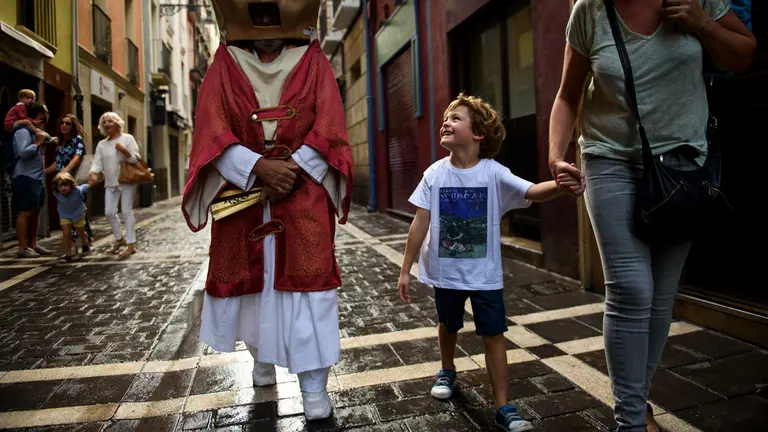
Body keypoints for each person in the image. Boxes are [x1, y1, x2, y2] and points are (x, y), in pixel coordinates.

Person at [549, 1, 755, 430]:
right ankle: (630, 421)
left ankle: (635, 401)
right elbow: (568, 94)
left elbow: (742, 53)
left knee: (661, 296)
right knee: (631, 289)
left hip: (683, 160)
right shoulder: (589, 11)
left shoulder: (699, 1)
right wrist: (556, 155)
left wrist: (702, 25)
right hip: (609, 157)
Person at [182, 0, 353, 421]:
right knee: (250, 293)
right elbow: (211, 128)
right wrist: (256, 166)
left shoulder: (314, 60)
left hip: (303, 196)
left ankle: (314, 388)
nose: (264, 17)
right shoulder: (224, 61)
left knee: (311, 293)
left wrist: (292, 169)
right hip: (242, 201)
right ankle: (261, 360)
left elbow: (330, 125)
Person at [397, 93, 584, 432]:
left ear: (478, 133)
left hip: (485, 276)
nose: (446, 122)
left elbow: (531, 192)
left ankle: (503, 406)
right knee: (448, 324)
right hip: (446, 273)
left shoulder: (493, 173)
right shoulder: (434, 174)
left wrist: (560, 186)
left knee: (494, 335)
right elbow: (420, 222)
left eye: (456, 118)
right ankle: (448, 369)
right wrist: (405, 268)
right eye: (446, 117)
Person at [88, 112, 141, 258]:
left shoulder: (127, 138)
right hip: (110, 182)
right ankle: (119, 239)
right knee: (109, 212)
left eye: (109, 121)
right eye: (104, 122)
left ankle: (131, 245)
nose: (106, 124)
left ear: (117, 123)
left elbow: (136, 159)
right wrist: (93, 173)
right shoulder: (102, 144)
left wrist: (124, 150)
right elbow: (97, 162)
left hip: (126, 181)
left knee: (126, 212)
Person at [10, 102, 53, 258]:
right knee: (25, 211)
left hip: (37, 177)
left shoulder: (35, 131)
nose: (47, 116)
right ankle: (22, 247)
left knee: (35, 211)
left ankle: (33, 245)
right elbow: (22, 153)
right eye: (46, 113)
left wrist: (44, 138)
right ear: (40, 114)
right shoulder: (23, 132)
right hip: (25, 176)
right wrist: (38, 143)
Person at [48, 114, 93, 245]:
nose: (64, 125)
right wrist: (45, 171)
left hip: (74, 182)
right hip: (61, 184)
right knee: (67, 210)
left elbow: (77, 157)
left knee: (78, 210)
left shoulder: (77, 140)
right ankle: (82, 239)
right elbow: (57, 162)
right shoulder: (60, 143)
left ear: (73, 126)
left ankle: (80, 239)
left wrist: (64, 172)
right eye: (62, 123)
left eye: (68, 123)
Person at [52, 172, 90, 262]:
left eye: (66, 185)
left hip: (78, 213)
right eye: (60, 186)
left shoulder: (78, 190)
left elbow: (87, 186)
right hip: (64, 214)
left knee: (80, 231)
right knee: (66, 234)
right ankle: (67, 254)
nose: (63, 188)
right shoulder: (56, 193)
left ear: (71, 185)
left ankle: (84, 241)